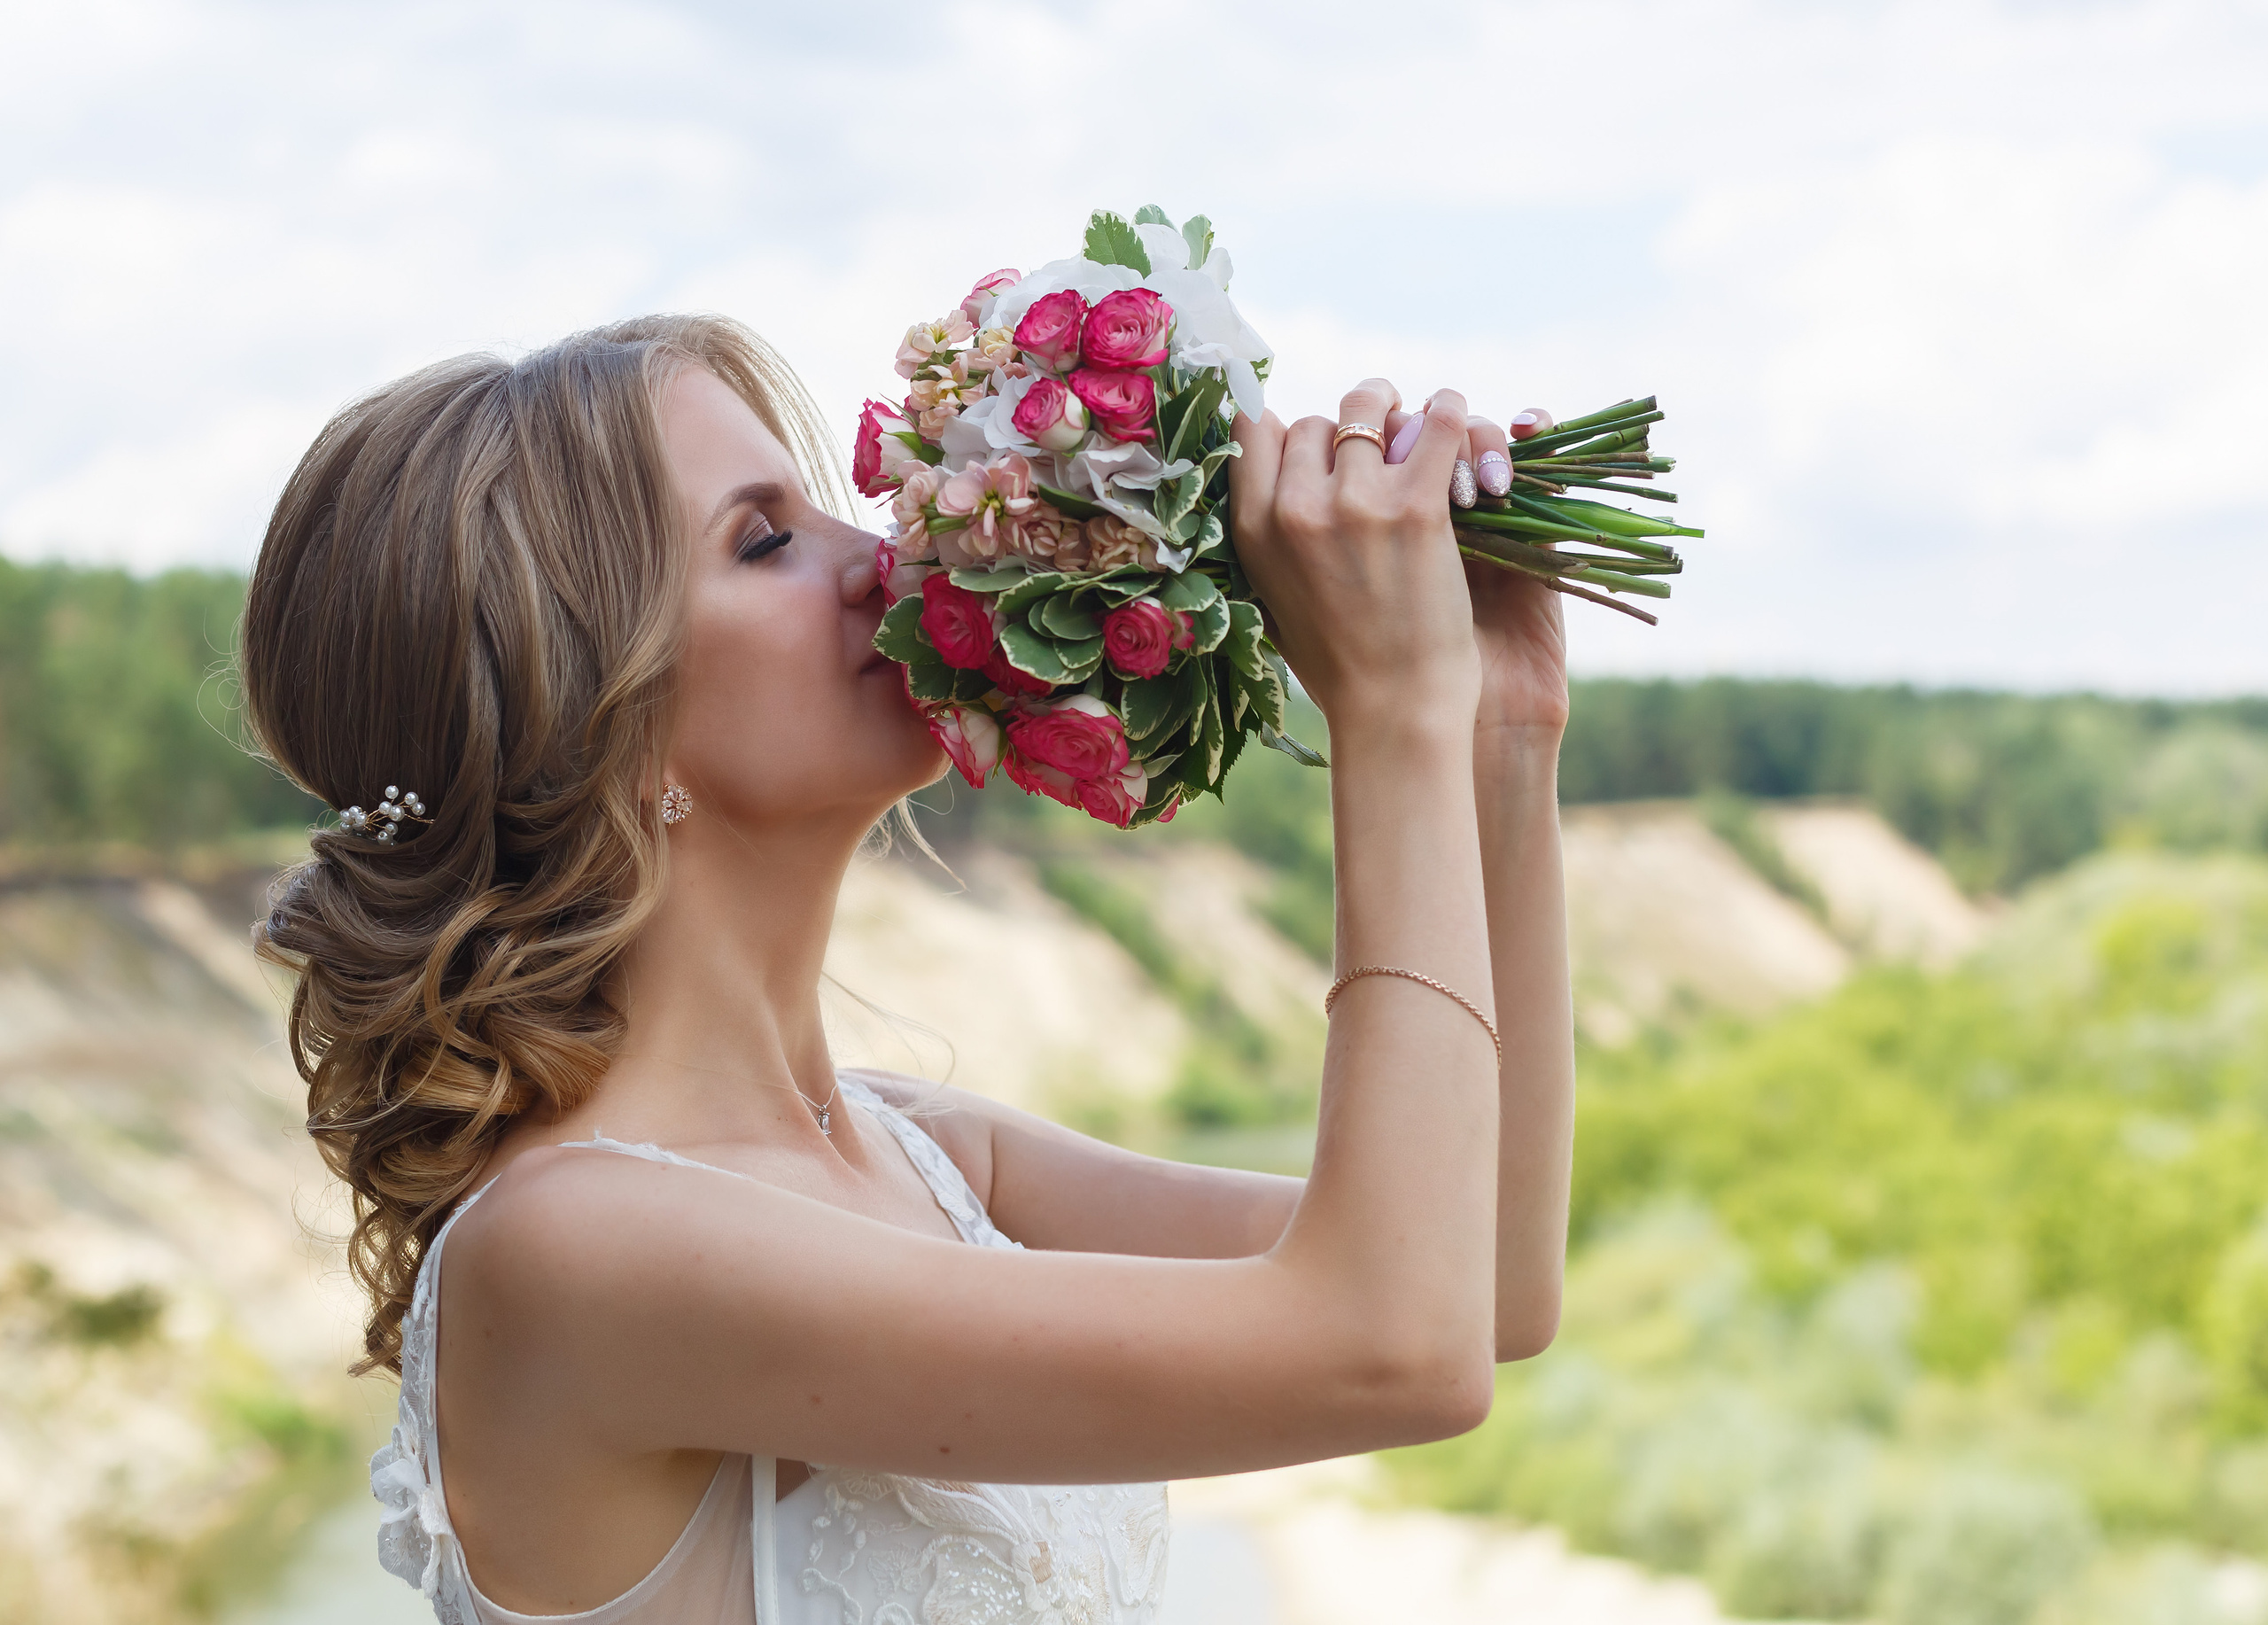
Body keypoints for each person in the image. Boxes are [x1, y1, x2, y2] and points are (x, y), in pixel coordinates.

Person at [239, 314, 1575, 1623]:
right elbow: (1390, 1344)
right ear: (599, 724)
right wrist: (1386, 704)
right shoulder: (572, 1248)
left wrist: (1498, 731)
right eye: (765, 540)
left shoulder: (925, 1150)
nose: (882, 556)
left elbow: (1489, 1283)